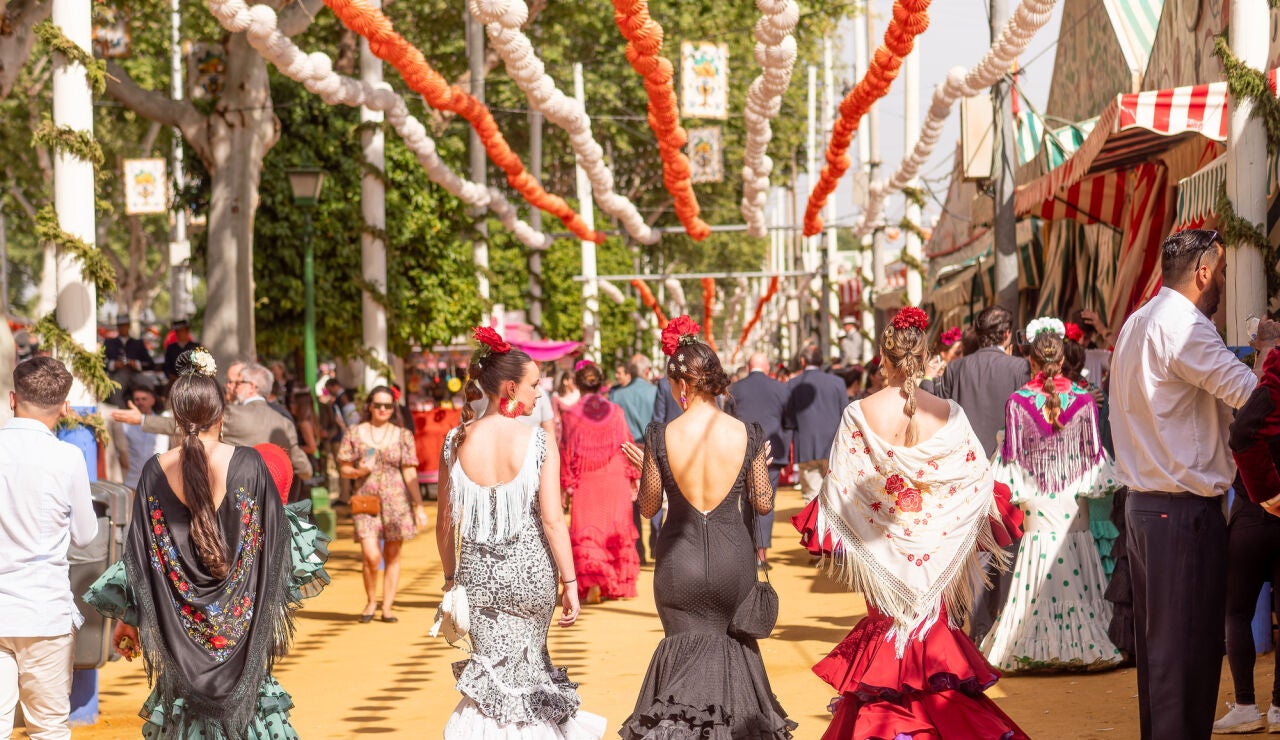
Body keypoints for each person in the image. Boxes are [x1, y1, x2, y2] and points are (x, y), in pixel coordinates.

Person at [792, 307, 1027, 740]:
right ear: (924, 355)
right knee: (936, 648)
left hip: (883, 560)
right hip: (939, 554)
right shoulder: (949, 412)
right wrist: (938, 525)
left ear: (884, 357)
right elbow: (976, 482)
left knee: (888, 651)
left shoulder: (859, 413)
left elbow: (840, 491)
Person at [84, 349, 329, 739]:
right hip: (242, 636)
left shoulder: (154, 471)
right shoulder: (250, 464)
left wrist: (127, 621)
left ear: (177, 418)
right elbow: (279, 549)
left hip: (177, 634)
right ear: (221, 415)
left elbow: (141, 557)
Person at [1110, 229, 1280, 740]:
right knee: (1185, 660)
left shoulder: (1139, 321)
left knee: (1167, 662)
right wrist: (1271, 358)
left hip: (1148, 508)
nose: (1225, 282)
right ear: (1203, 272)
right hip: (1179, 513)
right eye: (1223, 271)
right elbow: (1252, 398)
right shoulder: (1184, 326)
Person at [619, 316, 795, 738]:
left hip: (679, 563)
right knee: (736, 659)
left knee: (680, 669)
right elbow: (764, 504)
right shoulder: (747, 433)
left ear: (682, 386)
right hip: (733, 559)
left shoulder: (661, 436)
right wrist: (760, 465)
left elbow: (648, 508)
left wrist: (647, 467)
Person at [436, 327, 604, 738]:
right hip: (532, 576)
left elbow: (446, 522)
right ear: (510, 387)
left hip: (478, 579)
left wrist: (450, 577)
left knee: (491, 681)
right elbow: (551, 519)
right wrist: (570, 580)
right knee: (531, 675)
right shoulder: (538, 440)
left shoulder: (454, 441)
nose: (539, 395)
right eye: (534, 385)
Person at [980, 317, 1123, 672]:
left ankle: (1030, 647)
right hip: (1073, 494)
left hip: (1037, 496)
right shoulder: (1084, 400)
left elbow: (1011, 460)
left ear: (1030, 359)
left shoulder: (1017, 403)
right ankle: (1087, 644)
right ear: (1063, 360)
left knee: (1037, 563)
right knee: (1078, 560)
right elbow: (1093, 458)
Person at [0, 357, 96, 740]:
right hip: (44, 610)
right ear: (65, 407)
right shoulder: (67, 458)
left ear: (12, 399)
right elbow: (86, 535)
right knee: (48, 729)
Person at [933, 304, 1030, 644]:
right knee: (1006, 546)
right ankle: (992, 623)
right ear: (1007, 334)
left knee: (966, 549)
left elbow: (938, 411)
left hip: (962, 473)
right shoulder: (1021, 367)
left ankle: (966, 619)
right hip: (1008, 471)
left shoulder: (956, 368)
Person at [1217, 348, 1280, 732]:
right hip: (1263, 510)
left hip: (1253, 512)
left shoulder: (1265, 384)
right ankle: (1277, 709)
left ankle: (1245, 705)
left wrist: (1267, 492)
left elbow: (1240, 436)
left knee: (1237, 611)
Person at [114, 360, 313, 480]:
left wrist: (142, 420)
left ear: (252, 386)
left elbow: (186, 425)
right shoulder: (284, 420)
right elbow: (303, 468)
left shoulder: (233, 415)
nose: (231, 387)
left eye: (237, 383)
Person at [338, 385, 428, 622]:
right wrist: (358, 471)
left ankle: (387, 606)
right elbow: (344, 468)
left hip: (396, 501)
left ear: (393, 408)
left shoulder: (402, 435)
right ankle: (370, 600)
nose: (382, 409)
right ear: (369, 405)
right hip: (365, 501)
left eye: (388, 405)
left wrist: (419, 506)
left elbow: (409, 472)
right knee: (371, 555)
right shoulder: (355, 433)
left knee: (393, 554)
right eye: (378, 404)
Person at [561, 361, 640, 603]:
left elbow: (566, 452)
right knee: (615, 526)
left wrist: (564, 484)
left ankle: (594, 581)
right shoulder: (616, 411)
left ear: (578, 384)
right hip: (615, 475)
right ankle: (616, 583)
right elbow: (627, 445)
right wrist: (633, 477)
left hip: (588, 477)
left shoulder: (571, 415)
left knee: (588, 529)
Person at [728, 351, 790, 569]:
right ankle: (761, 554)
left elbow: (728, 420)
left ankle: (748, 551)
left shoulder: (735, 388)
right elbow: (788, 422)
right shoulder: (781, 388)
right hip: (771, 452)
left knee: (745, 499)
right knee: (765, 499)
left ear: (747, 365)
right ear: (767, 368)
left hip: (741, 450)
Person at [783, 340, 847, 504]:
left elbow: (788, 419)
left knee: (811, 497)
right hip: (834, 446)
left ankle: (814, 529)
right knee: (835, 495)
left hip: (806, 447)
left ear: (803, 361)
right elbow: (845, 414)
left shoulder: (792, 384)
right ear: (821, 361)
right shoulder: (837, 382)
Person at [610, 354, 660, 562]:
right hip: (651, 449)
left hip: (625, 451)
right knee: (655, 495)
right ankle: (656, 545)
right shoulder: (656, 392)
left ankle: (637, 548)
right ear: (647, 371)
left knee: (632, 501)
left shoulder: (617, 395)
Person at [118, 384, 171, 490]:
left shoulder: (163, 422)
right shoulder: (125, 425)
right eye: (137, 399)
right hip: (131, 482)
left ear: (152, 400)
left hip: (156, 482)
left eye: (144, 399)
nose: (140, 402)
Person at [551, 370, 580, 444]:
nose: (575, 383)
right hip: (563, 432)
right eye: (573, 380)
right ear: (565, 381)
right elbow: (555, 415)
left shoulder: (579, 395)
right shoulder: (556, 397)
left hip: (577, 432)